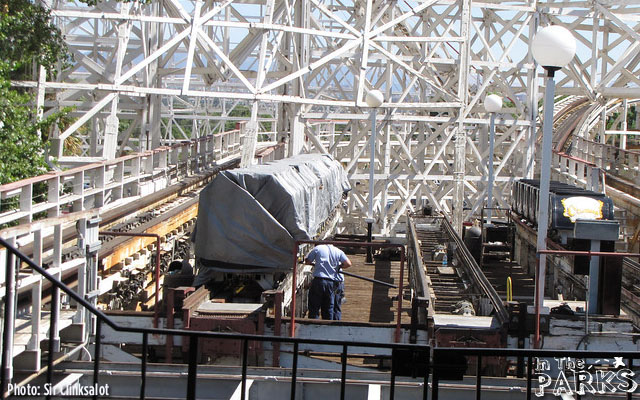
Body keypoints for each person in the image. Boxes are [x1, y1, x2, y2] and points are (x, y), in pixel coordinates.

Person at [304, 244, 352, 320]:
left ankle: (313, 325)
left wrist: (309, 261)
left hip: (319, 281)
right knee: (329, 308)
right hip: (332, 282)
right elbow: (348, 263)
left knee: (314, 307)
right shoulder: (338, 251)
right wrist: (338, 267)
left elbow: (308, 261)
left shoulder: (318, 248)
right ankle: (329, 326)